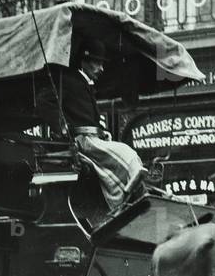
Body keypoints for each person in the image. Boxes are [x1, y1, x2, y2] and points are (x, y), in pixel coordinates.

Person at [35, 39, 147, 212]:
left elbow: (89, 119)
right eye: (97, 62)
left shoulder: (83, 83)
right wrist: (63, 129)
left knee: (120, 152)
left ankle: (128, 191)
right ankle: (127, 190)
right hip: (83, 141)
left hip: (92, 139)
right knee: (126, 152)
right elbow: (44, 101)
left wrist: (102, 133)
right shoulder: (68, 80)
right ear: (84, 61)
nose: (101, 68)